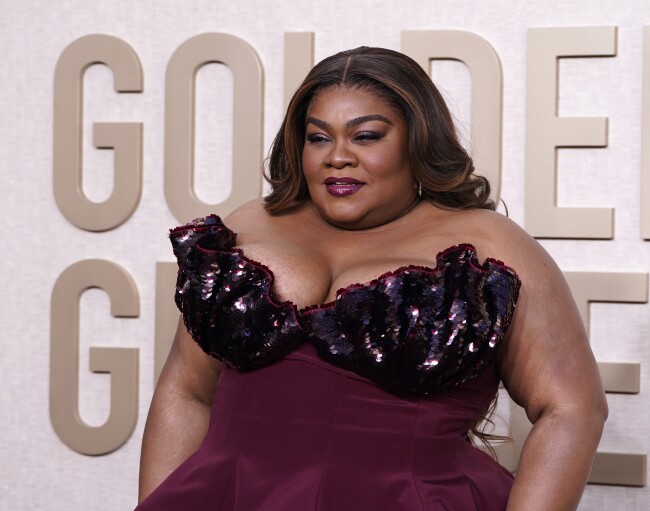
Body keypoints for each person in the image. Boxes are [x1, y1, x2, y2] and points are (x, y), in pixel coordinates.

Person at [136, 46, 607, 511]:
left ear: (416, 140)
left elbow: (571, 410)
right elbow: (186, 390)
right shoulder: (249, 224)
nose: (337, 157)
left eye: (365, 136)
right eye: (318, 138)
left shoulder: (491, 245)